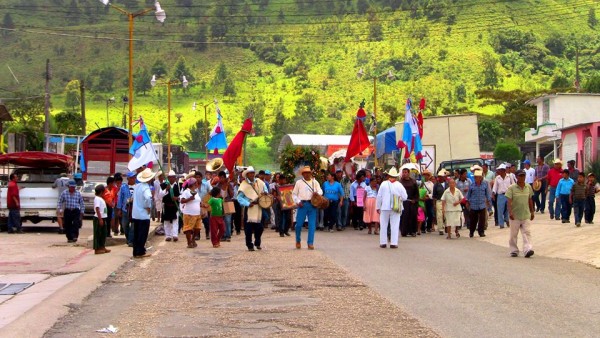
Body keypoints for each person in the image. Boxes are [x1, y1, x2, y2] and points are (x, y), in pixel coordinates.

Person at [237, 167, 268, 251]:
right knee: (248, 229)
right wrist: (247, 203)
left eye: (253, 173)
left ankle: (257, 242)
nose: (252, 174)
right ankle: (249, 245)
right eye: (250, 173)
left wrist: (265, 192)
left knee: (260, 227)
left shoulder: (259, 182)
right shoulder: (243, 184)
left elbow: (265, 189)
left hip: (259, 207)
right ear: (247, 174)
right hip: (249, 208)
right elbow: (239, 198)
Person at [292, 166, 323, 250]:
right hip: (302, 204)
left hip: (312, 204)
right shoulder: (299, 182)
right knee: (298, 224)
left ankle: (310, 243)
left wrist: (317, 193)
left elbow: (320, 191)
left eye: (308, 173)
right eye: (305, 173)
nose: (307, 174)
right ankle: (298, 240)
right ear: (303, 174)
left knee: (312, 225)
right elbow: (294, 194)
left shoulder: (314, 182)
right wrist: (298, 202)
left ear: (310, 173)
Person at [506, 170, 535, 258]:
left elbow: (530, 199)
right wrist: (510, 212)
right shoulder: (512, 188)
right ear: (516, 177)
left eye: (523, 176)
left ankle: (527, 250)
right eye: (520, 176)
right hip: (515, 215)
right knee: (513, 234)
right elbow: (509, 201)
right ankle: (514, 250)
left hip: (525, 214)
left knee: (527, 233)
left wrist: (532, 211)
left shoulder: (528, 187)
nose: (522, 178)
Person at [376, 167, 407, 248]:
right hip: (396, 207)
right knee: (395, 225)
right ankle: (393, 243)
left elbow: (379, 196)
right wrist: (399, 198)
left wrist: (378, 207)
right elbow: (405, 197)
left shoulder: (383, 184)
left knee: (383, 225)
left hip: (384, 207)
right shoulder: (399, 185)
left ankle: (383, 242)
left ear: (388, 175)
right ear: (396, 176)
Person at [131, 168, 155, 258]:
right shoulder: (146, 187)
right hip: (143, 214)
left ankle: (135, 251)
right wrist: (148, 206)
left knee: (136, 233)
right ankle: (140, 251)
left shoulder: (137, 186)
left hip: (136, 214)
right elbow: (148, 198)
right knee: (142, 234)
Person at [466, 170, 492, 238]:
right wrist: (467, 202)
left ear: (481, 178)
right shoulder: (472, 185)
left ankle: (481, 232)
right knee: (473, 220)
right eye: (475, 177)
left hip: (482, 205)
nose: (476, 178)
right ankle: (471, 232)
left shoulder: (484, 184)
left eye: (478, 177)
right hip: (474, 205)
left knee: (482, 220)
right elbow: (468, 195)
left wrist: (489, 202)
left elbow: (487, 194)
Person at [180, 178, 202, 248]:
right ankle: (189, 242)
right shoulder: (186, 192)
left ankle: (193, 239)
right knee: (188, 229)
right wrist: (190, 199)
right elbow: (182, 201)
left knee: (198, 228)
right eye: (196, 183)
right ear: (192, 184)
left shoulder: (196, 192)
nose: (197, 184)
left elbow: (198, 201)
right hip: (189, 213)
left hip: (197, 213)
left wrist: (203, 205)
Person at [116, 172, 136, 246]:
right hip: (125, 209)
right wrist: (119, 209)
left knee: (133, 226)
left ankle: (131, 241)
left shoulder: (137, 187)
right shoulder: (123, 187)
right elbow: (120, 198)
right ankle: (128, 239)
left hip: (134, 209)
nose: (133, 179)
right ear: (128, 178)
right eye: (131, 178)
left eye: (134, 177)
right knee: (125, 225)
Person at [492, 164, 513, 229]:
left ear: (503, 171)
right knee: (500, 210)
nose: (498, 172)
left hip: (508, 194)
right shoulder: (497, 178)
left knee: (508, 209)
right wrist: (493, 193)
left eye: (500, 170)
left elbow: (513, 185)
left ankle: (507, 220)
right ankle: (501, 224)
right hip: (500, 195)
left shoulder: (509, 177)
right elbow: (495, 187)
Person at [161, 170, 180, 242]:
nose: (171, 179)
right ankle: (168, 235)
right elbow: (160, 195)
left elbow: (181, 195)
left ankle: (175, 235)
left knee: (175, 220)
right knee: (166, 221)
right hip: (166, 205)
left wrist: (177, 198)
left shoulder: (178, 185)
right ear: (168, 178)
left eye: (173, 177)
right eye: (170, 177)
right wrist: (166, 189)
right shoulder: (164, 185)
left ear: (175, 178)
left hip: (175, 205)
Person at [400, 167, 418, 237]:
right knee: (404, 217)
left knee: (412, 216)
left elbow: (416, 192)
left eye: (405, 172)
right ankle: (404, 231)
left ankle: (413, 231)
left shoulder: (413, 181)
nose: (404, 174)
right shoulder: (400, 182)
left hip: (412, 202)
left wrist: (415, 200)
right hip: (403, 202)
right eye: (403, 172)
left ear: (408, 173)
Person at [215, 171, 234, 242]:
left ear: (225, 178)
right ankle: (223, 235)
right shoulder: (217, 186)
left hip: (228, 203)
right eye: (220, 177)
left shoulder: (229, 185)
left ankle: (228, 235)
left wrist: (228, 186)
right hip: (220, 204)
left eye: (222, 177)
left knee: (228, 220)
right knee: (221, 221)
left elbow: (232, 195)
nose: (221, 179)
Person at [93, 184, 111, 255]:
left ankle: (102, 246)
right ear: (101, 192)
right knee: (98, 233)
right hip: (98, 218)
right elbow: (97, 208)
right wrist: (100, 219)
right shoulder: (97, 199)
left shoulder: (101, 198)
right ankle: (97, 248)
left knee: (103, 233)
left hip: (103, 217)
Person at [432, 170, 448, 235]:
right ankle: (440, 229)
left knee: (446, 214)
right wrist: (434, 204)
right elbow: (434, 196)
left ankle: (447, 226)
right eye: (440, 176)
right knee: (439, 215)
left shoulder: (447, 184)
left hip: (447, 201)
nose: (441, 178)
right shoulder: (436, 185)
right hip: (439, 201)